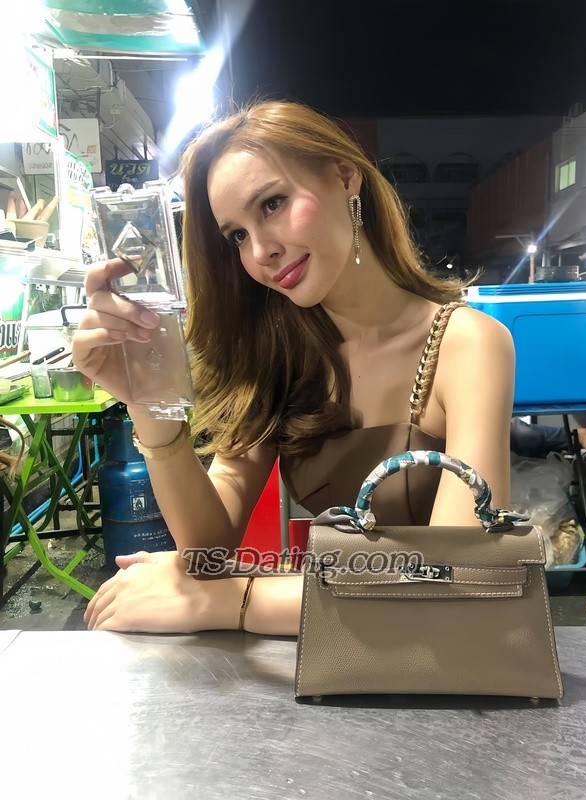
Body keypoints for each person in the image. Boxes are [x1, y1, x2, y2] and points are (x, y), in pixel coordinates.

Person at [73, 100, 515, 634]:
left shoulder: (467, 344)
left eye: (272, 204)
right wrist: (148, 397)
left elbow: (455, 578)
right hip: (328, 660)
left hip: (441, 665)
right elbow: (209, 546)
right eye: (237, 235)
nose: (260, 250)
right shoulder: (281, 354)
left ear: (345, 176)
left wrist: (230, 601)